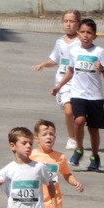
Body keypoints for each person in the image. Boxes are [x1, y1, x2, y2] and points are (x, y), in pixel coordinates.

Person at [51, 18, 104, 171]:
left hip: (95, 96)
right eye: (82, 32)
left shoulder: (99, 52)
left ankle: (95, 156)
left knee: (93, 129)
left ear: (94, 36)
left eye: (89, 33)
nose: (85, 35)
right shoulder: (74, 51)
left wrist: (102, 68)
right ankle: (79, 149)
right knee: (79, 120)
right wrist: (58, 86)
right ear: (78, 34)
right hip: (77, 94)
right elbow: (70, 71)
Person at [32, 10, 81, 151]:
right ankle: (71, 138)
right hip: (63, 83)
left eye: (72, 21)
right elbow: (54, 60)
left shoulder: (81, 42)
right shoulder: (60, 42)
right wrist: (43, 64)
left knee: (79, 116)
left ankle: (79, 136)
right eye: (66, 21)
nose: (68, 24)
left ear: (78, 23)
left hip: (79, 82)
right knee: (68, 111)